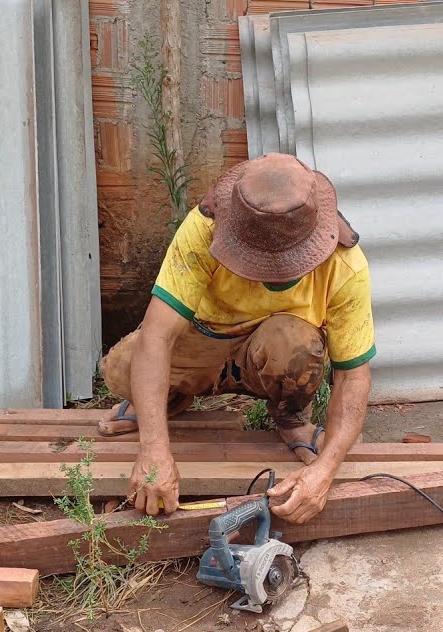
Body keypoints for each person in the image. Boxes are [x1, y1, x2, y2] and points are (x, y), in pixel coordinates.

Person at [96, 153, 375, 524]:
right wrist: (154, 450)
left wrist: (325, 471)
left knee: (297, 345)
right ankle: (171, 399)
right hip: (203, 336)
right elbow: (158, 337)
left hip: (271, 348)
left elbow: (354, 376)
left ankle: (290, 417)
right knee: (122, 368)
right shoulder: (204, 227)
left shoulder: (345, 262)